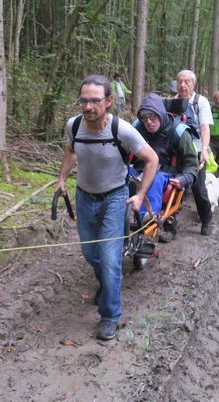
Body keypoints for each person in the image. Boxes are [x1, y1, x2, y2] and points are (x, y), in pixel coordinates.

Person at [57, 75, 158, 341]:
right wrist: (62, 179)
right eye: (84, 100)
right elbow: (70, 150)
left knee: (112, 259)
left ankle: (110, 315)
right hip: (84, 196)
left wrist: (140, 197)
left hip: (115, 198)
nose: (88, 107)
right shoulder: (74, 125)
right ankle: (107, 282)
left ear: (109, 101)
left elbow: (152, 159)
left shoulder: (121, 130)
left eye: (95, 101)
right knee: (91, 254)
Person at [132, 93, 199, 242]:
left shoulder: (179, 132)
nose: (148, 122)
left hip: (166, 172)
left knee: (155, 180)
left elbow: (192, 164)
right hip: (140, 168)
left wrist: (184, 179)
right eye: (144, 118)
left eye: (153, 117)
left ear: (161, 114)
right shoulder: (137, 127)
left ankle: (146, 218)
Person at [174, 70, 214, 236]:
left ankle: (206, 220)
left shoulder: (200, 102)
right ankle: (170, 225)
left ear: (193, 84)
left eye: (187, 81)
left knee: (198, 189)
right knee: (172, 187)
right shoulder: (173, 101)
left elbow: (205, 128)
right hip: (176, 151)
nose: (183, 85)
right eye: (180, 81)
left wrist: (204, 149)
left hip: (196, 151)